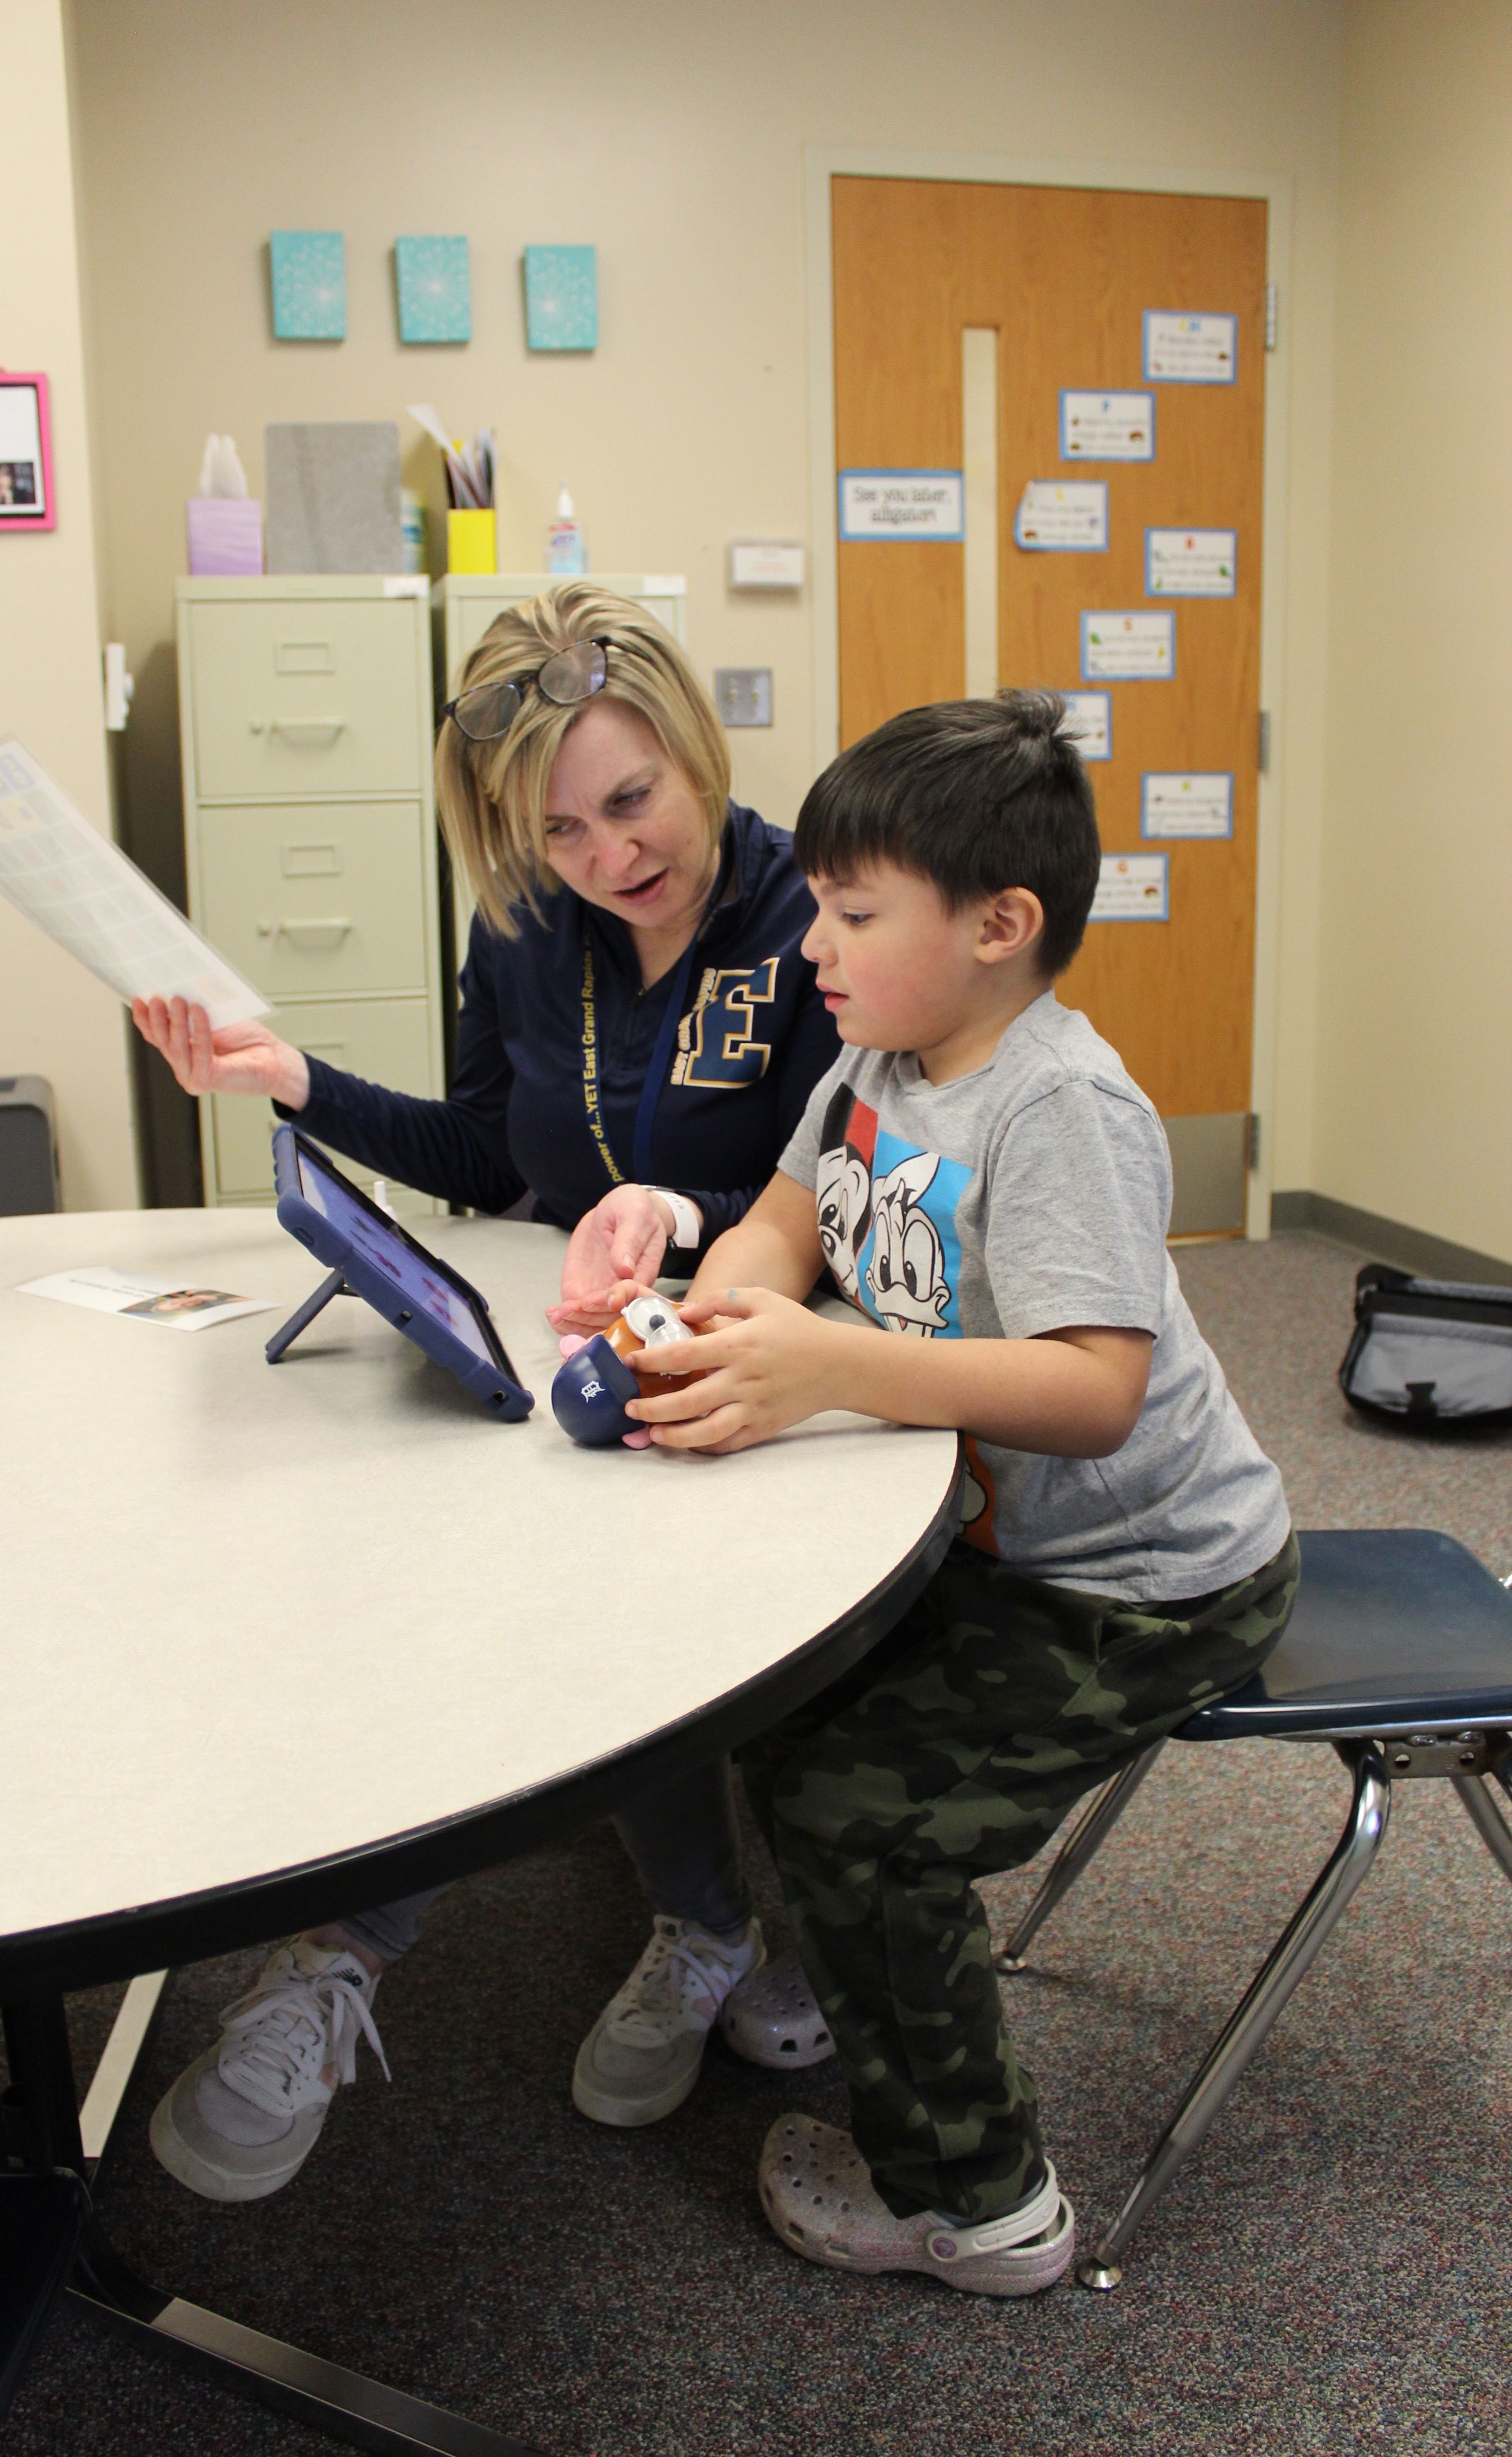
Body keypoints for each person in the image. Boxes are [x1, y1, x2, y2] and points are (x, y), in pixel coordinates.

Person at [131, 583, 842, 2202]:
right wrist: (288, 1078)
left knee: (603, 1586)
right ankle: (347, 1952)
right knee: (400, 1541)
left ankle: (699, 1927)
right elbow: (482, 1155)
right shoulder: (524, 923)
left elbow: (847, 1198)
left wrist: (684, 1230)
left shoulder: (817, 914)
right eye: (557, 829)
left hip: (746, 1349)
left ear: (690, 741)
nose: (605, 856)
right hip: (556, 1337)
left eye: (630, 800)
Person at [616, 691, 1298, 2296]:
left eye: (853, 914)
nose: (813, 948)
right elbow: (790, 1211)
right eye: (819, 909)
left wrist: (835, 1368)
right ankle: (852, 1988)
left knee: (863, 1824)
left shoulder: (1056, 1107)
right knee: (781, 1709)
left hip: (1150, 1581)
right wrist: (730, 1305)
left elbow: (1093, 1387)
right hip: (1002, 1536)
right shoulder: (882, 1048)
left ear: (1002, 925)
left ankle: (979, 2206)